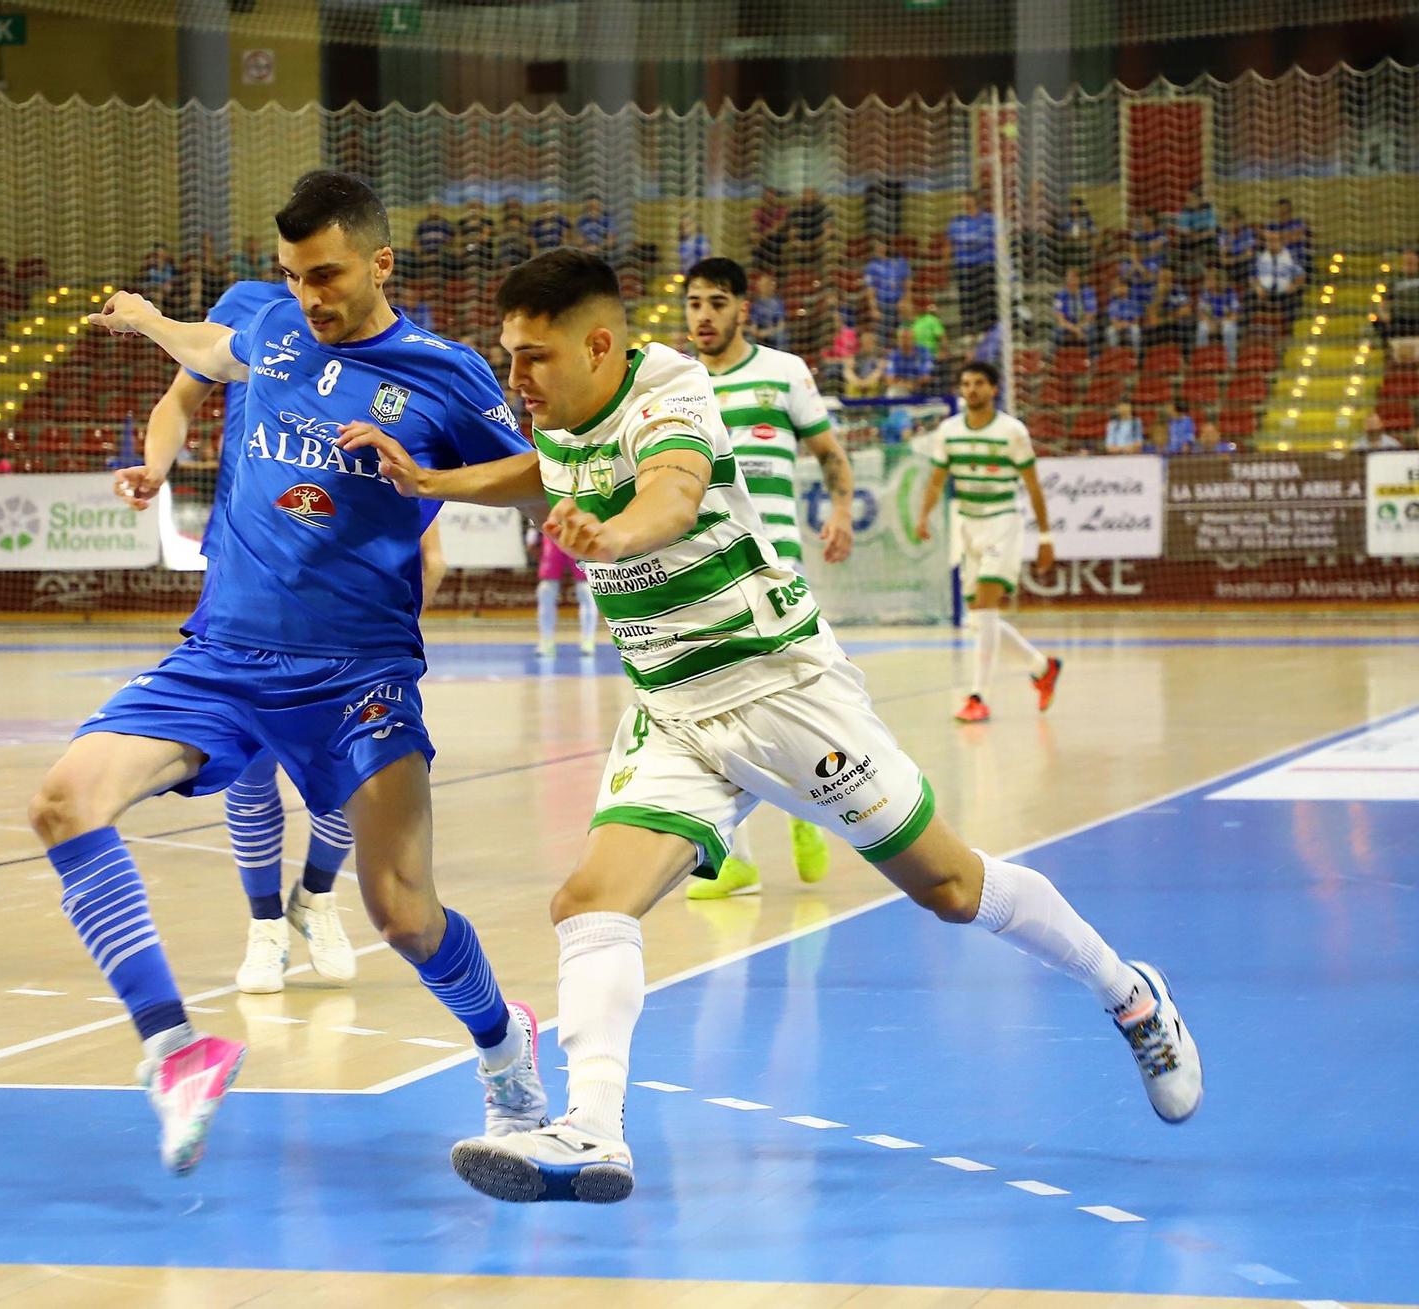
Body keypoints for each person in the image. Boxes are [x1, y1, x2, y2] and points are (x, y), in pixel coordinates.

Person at [342, 250, 1201, 1205]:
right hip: (673, 707)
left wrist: (617, 534)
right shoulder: (562, 415)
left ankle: (1128, 992)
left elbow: (670, 487)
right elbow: (541, 469)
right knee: (588, 902)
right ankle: (591, 1127)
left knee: (953, 888)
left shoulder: (668, 386)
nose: (514, 380)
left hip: (780, 690)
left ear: (599, 344)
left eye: (532, 358)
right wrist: (431, 482)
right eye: (507, 357)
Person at [41, 171, 545, 1177]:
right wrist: (146, 324)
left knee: (401, 911)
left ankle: (504, 1049)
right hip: (223, 653)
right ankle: (176, 1051)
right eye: (292, 275)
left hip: (355, 670)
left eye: (326, 275)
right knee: (65, 802)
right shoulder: (267, 322)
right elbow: (201, 353)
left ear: (379, 262)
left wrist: (429, 478)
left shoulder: (443, 374)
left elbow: (537, 482)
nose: (309, 295)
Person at [130, 271, 370, 995]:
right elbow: (179, 399)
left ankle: (317, 896)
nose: (306, 275)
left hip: (340, 573)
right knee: (250, 756)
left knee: (359, 764)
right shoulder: (248, 309)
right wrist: (155, 465)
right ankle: (265, 924)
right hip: (241, 564)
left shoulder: (375, 329)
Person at [682, 255, 855, 897]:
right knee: (714, 711)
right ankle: (737, 861)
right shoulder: (676, 381)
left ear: (742, 309)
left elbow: (830, 454)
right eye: (695, 302)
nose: (704, 315)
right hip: (700, 569)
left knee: (791, 702)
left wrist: (840, 512)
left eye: (717, 302)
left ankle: (808, 807)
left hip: (774, 566)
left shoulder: (785, 373)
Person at [916, 362, 1064, 722]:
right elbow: (937, 480)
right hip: (967, 524)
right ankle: (1042, 666)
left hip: (1002, 522)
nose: (971, 390)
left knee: (984, 609)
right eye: (965, 384)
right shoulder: (949, 431)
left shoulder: (1013, 431)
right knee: (981, 619)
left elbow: (1032, 485)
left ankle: (977, 696)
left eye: (979, 383)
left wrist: (1045, 536)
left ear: (994, 389)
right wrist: (923, 516)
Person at [531, 530, 594, 658]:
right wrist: (532, 534)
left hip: (577, 534)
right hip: (552, 535)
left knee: (586, 589)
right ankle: (546, 641)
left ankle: (588, 640)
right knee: (545, 590)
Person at [948, 192, 997, 332]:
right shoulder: (957, 221)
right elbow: (954, 241)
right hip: (964, 265)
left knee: (987, 299)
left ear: (975, 200)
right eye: (963, 199)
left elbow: (993, 240)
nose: (965, 202)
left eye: (967, 198)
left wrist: (972, 241)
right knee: (966, 298)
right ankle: (968, 331)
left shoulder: (989, 219)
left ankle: (989, 331)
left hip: (985, 264)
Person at [1253, 229, 1305, 324]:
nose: (1271, 243)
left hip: (1285, 294)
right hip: (1265, 293)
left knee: (1296, 297)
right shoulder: (1260, 256)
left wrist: (1294, 285)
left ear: (1281, 242)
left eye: (1274, 240)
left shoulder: (1290, 256)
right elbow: (1253, 276)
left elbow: (1301, 275)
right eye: (1269, 240)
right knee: (1251, 296)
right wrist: (1258, 287)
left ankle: (1288, 328)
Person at [1196, 268, 1241, 365]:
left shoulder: (1230, 292)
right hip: (1211, 322)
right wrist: (1209, 322)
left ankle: (1230, 362)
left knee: (1229, 329)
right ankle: (1202, 361)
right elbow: (1200, 313)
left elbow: (1235, 315)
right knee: (1202, 328)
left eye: (1210, 279)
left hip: (1224, 322)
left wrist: (1221, 322)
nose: (1207, 282)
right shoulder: (1205, 293)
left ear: (1217, 280)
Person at [862, 239, 911, 326]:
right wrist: (874, 309)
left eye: (881, 244)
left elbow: (907, 283)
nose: (879, 247)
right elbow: (870, 289)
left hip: (898, 304)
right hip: (882, 305)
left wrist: (905, 300)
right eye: (876, 245)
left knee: (902, 330)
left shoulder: (899, 261)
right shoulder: (871, 266)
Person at [1053, 268, 1097, 350]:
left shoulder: (1088, 293)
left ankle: (1092, 361)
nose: (1071, 281)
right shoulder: (1060, 295)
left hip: (1083, 324)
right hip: (1068, 326)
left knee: (1092, 331)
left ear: (1079, 280)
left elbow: (1090, 315)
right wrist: (1075, 329)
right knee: (1057, 332)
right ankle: (1056, 360)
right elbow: (1060, 319)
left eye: (1074, 278)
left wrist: (1080, 327)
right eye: (1069, 278)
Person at [885, 326, 935, 397]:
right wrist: (906, 385)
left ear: (913, 339)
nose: (904, 341)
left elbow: (926, 377)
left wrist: (912, 384)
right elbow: (889, 378)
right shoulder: (893, 355)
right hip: (903, 390)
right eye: (901, 338)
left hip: (922, 391)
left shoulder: (924, 353)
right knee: (892, 391)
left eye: (907, 338)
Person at [746, 271, 788, 350]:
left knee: (781, 336)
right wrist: (755, 332)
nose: (762, 287)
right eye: (761, 285)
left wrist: (767, 332)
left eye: (765, 285)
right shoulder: (756, 304)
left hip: (773, 332)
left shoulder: (778, 303)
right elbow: (753, 325)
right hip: (760, 332)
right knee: (748, 337)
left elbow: (781, 325)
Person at [843, 328, 887, 397]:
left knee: (873, 387)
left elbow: (879, 372)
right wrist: (857, 382)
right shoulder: (856, 356)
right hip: (857, 383)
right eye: (865, 342)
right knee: (851, 387)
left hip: (872, 383)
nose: (867, 344)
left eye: (870, 342)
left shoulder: (879, 356)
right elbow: (847, 371)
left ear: (874, 343)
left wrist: (866, 383)